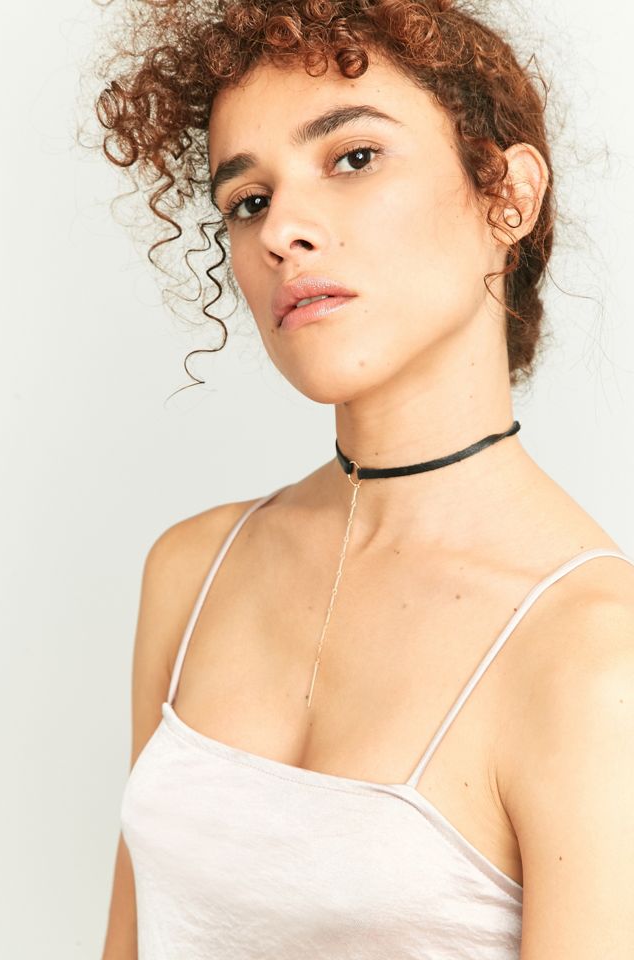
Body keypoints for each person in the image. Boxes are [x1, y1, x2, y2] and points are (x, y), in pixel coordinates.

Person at [96, 1, 634, 957]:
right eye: (247, 200)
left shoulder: (594, 655)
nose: (282, 230)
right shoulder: (193, 570)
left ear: (508, 197)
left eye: (353, 157)